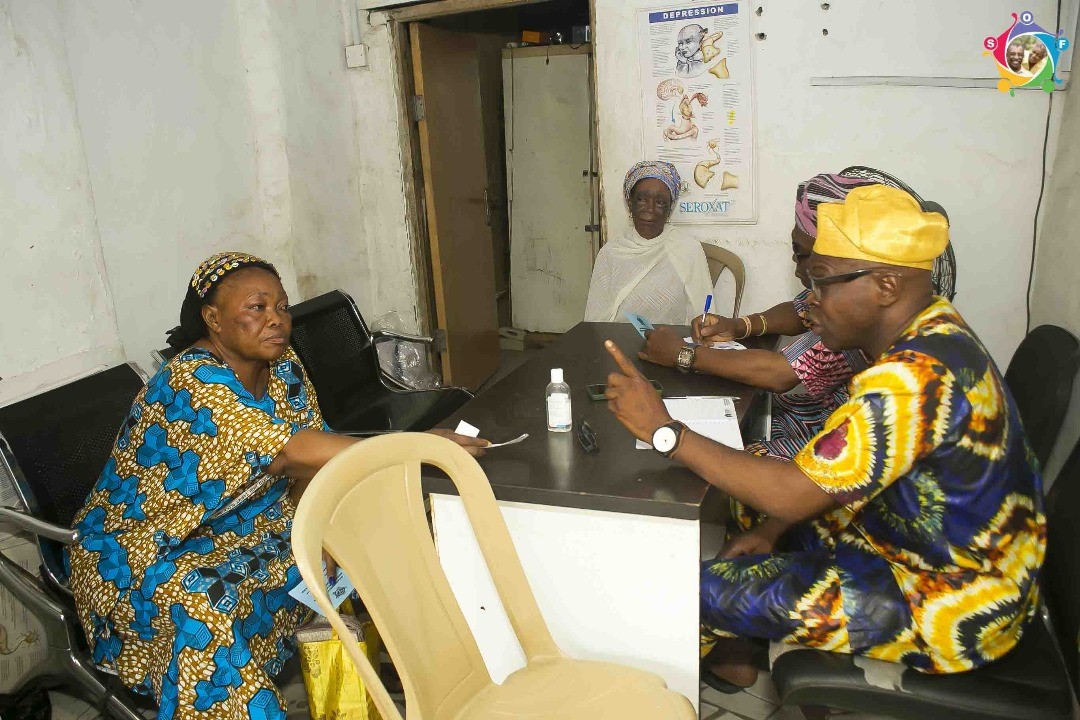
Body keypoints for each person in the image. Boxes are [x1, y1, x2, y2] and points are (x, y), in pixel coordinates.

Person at [602, 186, 1045, 691]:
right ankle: (740, 653)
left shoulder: (913, 377)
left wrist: (664, 431)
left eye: (822, 282)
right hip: (912, 541)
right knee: (748, 489)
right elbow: (825, 477)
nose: (810, 301)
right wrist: (772, 528)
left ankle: (681, 669)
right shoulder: (934, 326)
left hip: (950, 600)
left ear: (886, 286)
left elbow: (792, 493)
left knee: (690, 594)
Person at [68, 252, 488, 720]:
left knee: (366, 529)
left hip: (245, 521)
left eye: (282, 307)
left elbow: (308, 457)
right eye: (257, 308)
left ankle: (432, 672)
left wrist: (319, 525)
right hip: (145, 548)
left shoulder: (283, 364)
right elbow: (289, 452)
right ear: (213, 319)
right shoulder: (193, 381)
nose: (277, 320)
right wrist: (414, 445)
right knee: (205, 602)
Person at [637, 171, 882, 461]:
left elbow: (780, 373)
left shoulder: (858, 311)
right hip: (828, 409)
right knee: (748, 417)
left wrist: (683, 354)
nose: (794, 261)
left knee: (725, 459)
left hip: (849, 438)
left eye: (801, 252)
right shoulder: (842, 291)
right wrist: (739, 326)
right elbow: (799, 310)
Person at [584, 161, 712, 326]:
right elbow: (596, 320)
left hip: (673, 340)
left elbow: (703, 317)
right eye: (641, 200)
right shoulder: (611, 253)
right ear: (630, 204)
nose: (650, 209)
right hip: (618, 339)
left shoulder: (688, 249)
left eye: (660, 202)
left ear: (670, 208)